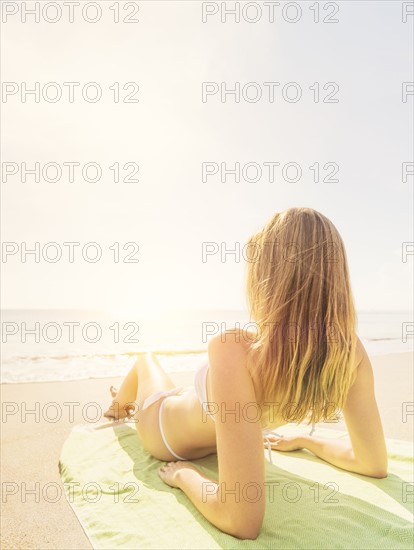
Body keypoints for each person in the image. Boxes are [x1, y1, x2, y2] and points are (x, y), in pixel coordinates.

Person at [103, 207, 388, 540]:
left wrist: (185, 477)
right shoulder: (348, 352)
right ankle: (117, 407)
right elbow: (372, 462)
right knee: (146, 362)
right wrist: (304, 439)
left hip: (183, 435)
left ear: (267, 276)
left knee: (151, 362)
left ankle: (120, 402)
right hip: (161, 425)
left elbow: (241, 520)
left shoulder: (236, 349)